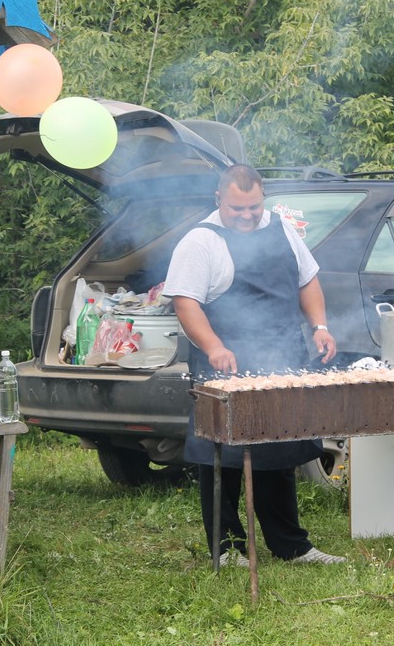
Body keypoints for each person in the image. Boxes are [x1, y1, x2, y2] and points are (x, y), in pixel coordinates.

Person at [164, 164, 345, 567]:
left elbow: (307, 280)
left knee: (278, 452)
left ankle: (292, 546)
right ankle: (227, 548)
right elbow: (185, 302)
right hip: (225, 364)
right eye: (237, 209)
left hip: (281, 357)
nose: (247, 216)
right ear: (218, 200)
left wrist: (319, 326)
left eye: (253, 208)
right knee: (222, 458)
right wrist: (213, 347)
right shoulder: (200, 241)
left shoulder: (281, 228)